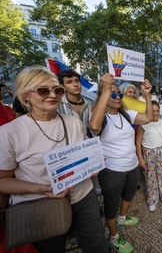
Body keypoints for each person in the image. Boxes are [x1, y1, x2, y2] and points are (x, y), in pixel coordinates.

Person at [0, 66, 108, 253]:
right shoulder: (10, 132)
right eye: (43, 90)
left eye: (57, 90)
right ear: (26, 95)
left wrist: (93, 164)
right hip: (42, 204)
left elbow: (85, 156)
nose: (52, 95)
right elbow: (3, 181)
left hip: (83, 195)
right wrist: (42, 189)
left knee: (96, 244)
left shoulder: (73, 121)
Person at [89, 74, 154, 253]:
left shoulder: (126, 114)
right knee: (111, 205)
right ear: (103, 97)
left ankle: (122, 218)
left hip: (132, 166)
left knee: (128, 195)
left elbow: (148, 118)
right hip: (112, 171)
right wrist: (105, 90)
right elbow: (94, 127)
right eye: (113, 94)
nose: (117, 97)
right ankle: (114, 237)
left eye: (119, 95)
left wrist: (147, 95)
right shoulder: (100, 117)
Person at [136, 101, 162, 211]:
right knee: (150, 176)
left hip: (161, 151)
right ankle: (152, 199)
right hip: (148, 153)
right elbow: (138, 141)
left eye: (157, 110)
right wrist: (140, 158)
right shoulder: (143, 124)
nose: (155, 113)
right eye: (152, 111)